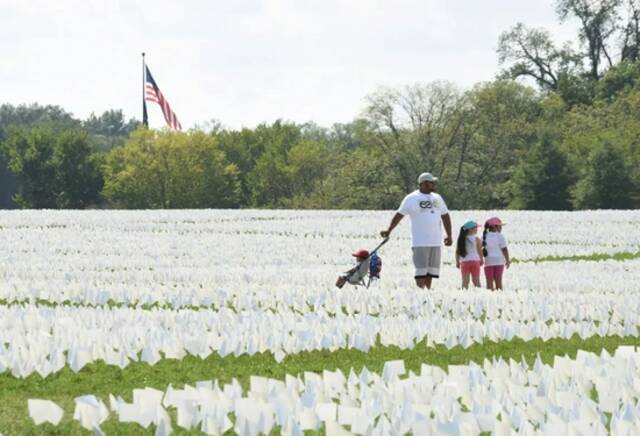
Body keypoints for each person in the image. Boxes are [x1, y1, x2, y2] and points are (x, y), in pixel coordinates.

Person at [380, 172, 452, 289]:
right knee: (421, 271)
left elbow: (445, 216)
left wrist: (449, 235)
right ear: (423, 183)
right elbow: (399, 215)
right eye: (430, 182)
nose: (433, 184)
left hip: (435, 241)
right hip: (420, 241)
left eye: (433, 182)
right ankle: (420, 292)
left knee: (431, 271)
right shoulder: (412, 198)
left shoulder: (437, 198)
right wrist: (389, 230)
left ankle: (427, 292)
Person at [482, 216, 510, 290]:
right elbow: (504, 250)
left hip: (488, 262)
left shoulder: (484, 236)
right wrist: (507, 260)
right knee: (498, 282)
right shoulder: (500, 236)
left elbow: (481, 249)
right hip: (499, 262)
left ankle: (490, 298)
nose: (501, 228)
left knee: (489, 283)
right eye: (500, 226)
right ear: (495, 227)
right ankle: (499, 297)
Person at [455, 220, 483, 289]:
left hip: (464, 262)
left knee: (465, 282)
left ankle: (464, 295)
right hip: (475, 262)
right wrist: (481, 259)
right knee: (476, 281)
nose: (477, 229)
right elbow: (480, 251)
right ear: (471, 229)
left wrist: (457, 262)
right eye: (476, 228)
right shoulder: (477, 239)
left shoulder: (461, 239)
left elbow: (457, 252)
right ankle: (479, 294)